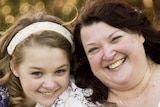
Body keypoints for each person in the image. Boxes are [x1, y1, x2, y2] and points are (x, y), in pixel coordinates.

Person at [73, 0, 160, 107]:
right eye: (94, 49)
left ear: (139, 34)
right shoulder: (74, 100)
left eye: (115, 39)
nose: (108, 54)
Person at [0, 12, 95, 107]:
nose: (50, 85)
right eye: (37, 73)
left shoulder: (82, 95)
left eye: (60, 71)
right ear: (14, 67)